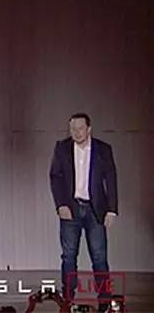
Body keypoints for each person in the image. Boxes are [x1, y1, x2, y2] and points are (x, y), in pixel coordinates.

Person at [49, 113, 118, 312]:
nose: (76, 132)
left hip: (95, 210)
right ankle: (68, 299)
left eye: (80, 128)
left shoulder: (103, 149)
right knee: (69, 256)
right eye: (72, 129)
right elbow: (55, 176)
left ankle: (105, 301)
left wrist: (112, 210)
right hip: (70, 209)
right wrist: (61, 204)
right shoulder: (62, 148)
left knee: (99, 256)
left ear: (89, 129)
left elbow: (111, 179)